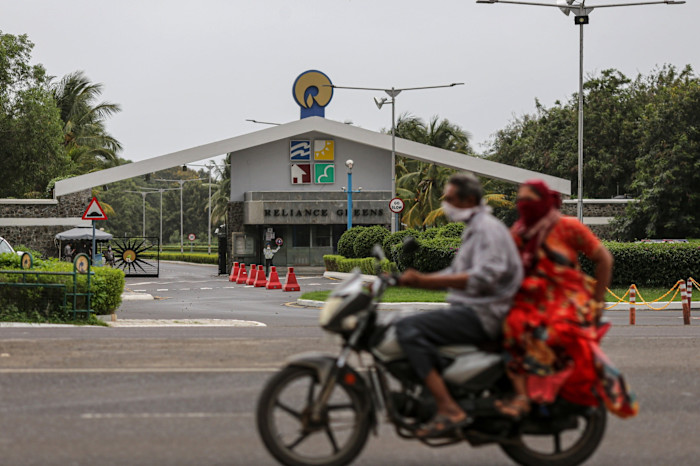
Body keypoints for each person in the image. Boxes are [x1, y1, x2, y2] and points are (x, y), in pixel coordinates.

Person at [395, 173, 523, 438]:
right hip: (474, 309)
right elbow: (456, 271)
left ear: (469, 200)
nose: (446, 205)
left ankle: (448, 408)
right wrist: (417, 281)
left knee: (408, 329)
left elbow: (485, 277)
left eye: (452, 199)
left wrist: (422, 281)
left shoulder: (487, 229)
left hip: (485, 312)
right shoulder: (475, 229)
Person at [495, 180, 627, 419]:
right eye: (521, 200)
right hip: (530, 301)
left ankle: (526, 397)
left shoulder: (567, 227)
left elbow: (604, 259)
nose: (524, 205)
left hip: (567, 303)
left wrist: (598, 301)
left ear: (544, 201)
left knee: (520, 331)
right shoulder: (519, 232)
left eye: (530, 200)